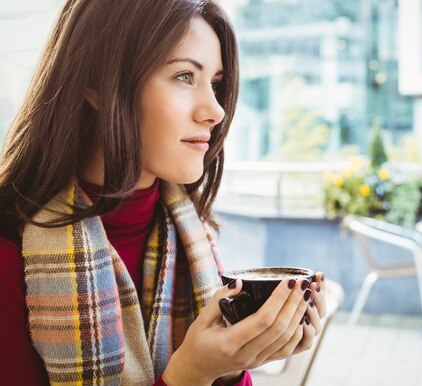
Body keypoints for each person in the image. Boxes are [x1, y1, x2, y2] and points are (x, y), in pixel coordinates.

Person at [0, 1, 327, 385]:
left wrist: (233, 364)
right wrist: (190, 375)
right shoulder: (10, 254)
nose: (216, 111)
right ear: (97, 86)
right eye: (185, 76)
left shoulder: (193, 236)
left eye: (216, 84)